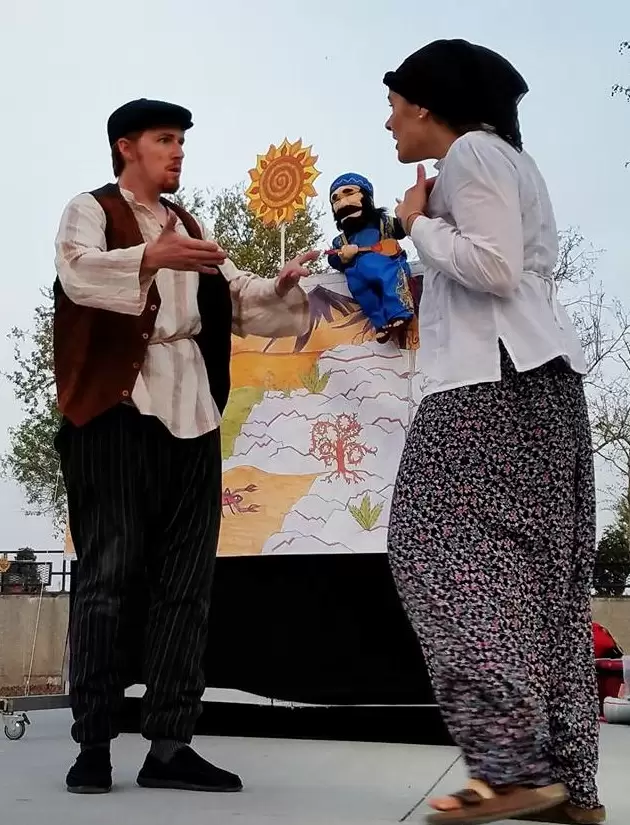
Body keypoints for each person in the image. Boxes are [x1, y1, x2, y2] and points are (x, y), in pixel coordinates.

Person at [53, 98, 318, 796]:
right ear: (126, 147)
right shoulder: (90, 209)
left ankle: (169, 745)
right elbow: (79, 274)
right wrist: (149, 256)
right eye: (164, 139)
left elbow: (233, 297)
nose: (177, 152)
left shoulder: (190, 225)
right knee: (107, 577)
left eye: (180, 141)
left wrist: (282, 285)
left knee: (187, 585)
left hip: (193, 414)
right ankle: (93, 743)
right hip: (115, 413)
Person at [383, 40, 604, 825]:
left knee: (432, 547)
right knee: (548, 586)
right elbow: (497, 268)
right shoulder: (513, 161)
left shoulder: (470, 154)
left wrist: (417, 223)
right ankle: (568, 781)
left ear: (428, 104)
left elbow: (494, 266)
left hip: (488, 385)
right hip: (546, 386)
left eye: (394, 106)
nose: (389, 123)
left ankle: (510, 767)